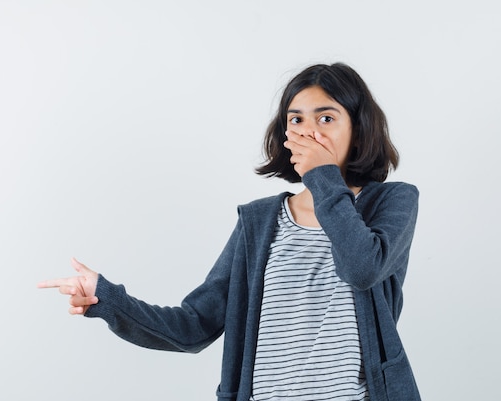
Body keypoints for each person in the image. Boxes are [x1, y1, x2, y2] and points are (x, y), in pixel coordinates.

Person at [38, 62, 421, 401]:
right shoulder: (259, 222)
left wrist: (323, 176)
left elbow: (361, 267)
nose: (308, 133)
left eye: (326, 118)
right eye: (296, 119)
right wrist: (107, 298)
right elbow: (194, 326)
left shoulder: (391, 202)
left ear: (358, 127)